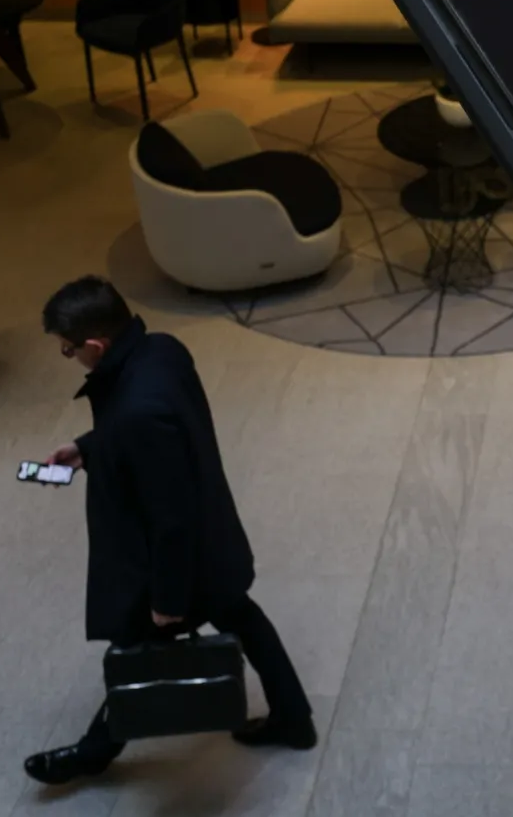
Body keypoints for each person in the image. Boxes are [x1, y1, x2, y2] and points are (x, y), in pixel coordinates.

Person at [24, 276, 315, 785]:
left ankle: (94, 754)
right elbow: (156, 433)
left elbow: (169, 516)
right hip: (213, 536)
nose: (69, 357)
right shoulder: (161, 351)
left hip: (175, 561)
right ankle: (294, 719)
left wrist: (168, 597)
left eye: (69, 350)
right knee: (244, 618)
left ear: (96, 345)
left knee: (138, 649)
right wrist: (89, 449)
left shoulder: (139, 411)